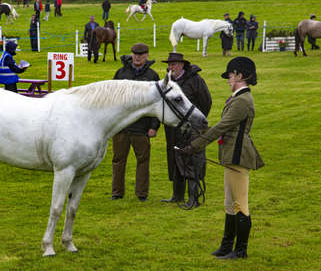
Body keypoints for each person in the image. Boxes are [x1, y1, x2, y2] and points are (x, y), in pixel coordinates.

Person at [182, 56, 264, 259]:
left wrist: (195, 145)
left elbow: (222, 127)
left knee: (240, 204)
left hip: (238, 154)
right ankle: (227, 246)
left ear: (241, 75)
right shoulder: (238, 98)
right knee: (229, 202)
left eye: (230, 75)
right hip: (230, 154)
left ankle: (240, 250)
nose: (228, 79)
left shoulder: (243, 100)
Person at [160, 53, 212, 208]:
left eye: (174, 64)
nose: (171, 67)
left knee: (192, 160)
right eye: (170, 65)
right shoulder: (167, 82)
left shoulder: (195, 80)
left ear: (182, 65)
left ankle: (194, 198)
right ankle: (177, 195)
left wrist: (194, 122)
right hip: (173, 129)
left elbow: (206, 102)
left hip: (192, 129)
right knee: (175, 159)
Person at [111, 43, 160, 202]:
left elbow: (158, 103)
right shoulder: (121, 73)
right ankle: (116, 192)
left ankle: (142, 194)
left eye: (141, 54)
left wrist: (154, 126)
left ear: (147, 55)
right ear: (131, 54)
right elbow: (111, 98)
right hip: (121, 127)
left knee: (143, 162)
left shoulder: (153, 76)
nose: (138, 57)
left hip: (142, 128)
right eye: (135, 54)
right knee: (118, 161)